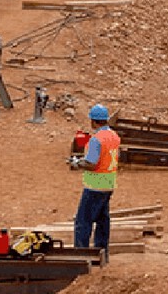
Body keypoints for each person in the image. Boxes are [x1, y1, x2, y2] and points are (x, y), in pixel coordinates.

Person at [71, 103, 121, 261]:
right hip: (108, 184)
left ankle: (81, 257)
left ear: (94, 121)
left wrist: (77, 163)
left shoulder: (96, 139)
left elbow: (92, 163)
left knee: (83, 223)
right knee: (102, 222)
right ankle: (102, 254)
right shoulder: (114, 136)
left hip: (94, 187)